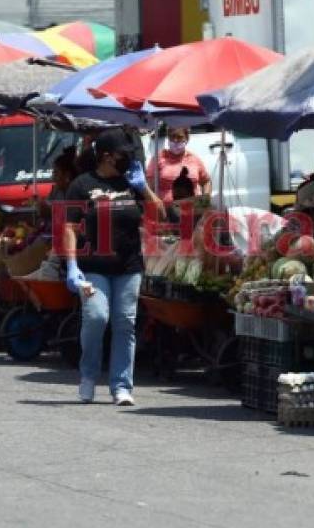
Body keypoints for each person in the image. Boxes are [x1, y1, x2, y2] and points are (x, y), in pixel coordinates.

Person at [63, 128, 161, 406]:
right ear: (107, 157)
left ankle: (121, 385)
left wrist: (144, 188)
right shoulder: (82, 185)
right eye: (123, 155)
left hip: (129, 266)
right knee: (96, 317)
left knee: (125, 323)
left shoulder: (131, 182)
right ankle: (89, 376)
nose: (128, 160)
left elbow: (161, 215)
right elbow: (69, 227)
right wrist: (71, 264)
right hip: (93, 265)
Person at [146, 127, 211, 204]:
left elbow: (206, 181)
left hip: (192, 210)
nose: (175, 140)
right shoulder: (158, 158)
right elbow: (149, 186)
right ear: (168, 137)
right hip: (167, 211)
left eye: (179, 137)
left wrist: (205, 200)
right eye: (172, 136)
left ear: (187, 138)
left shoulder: (194, 159)